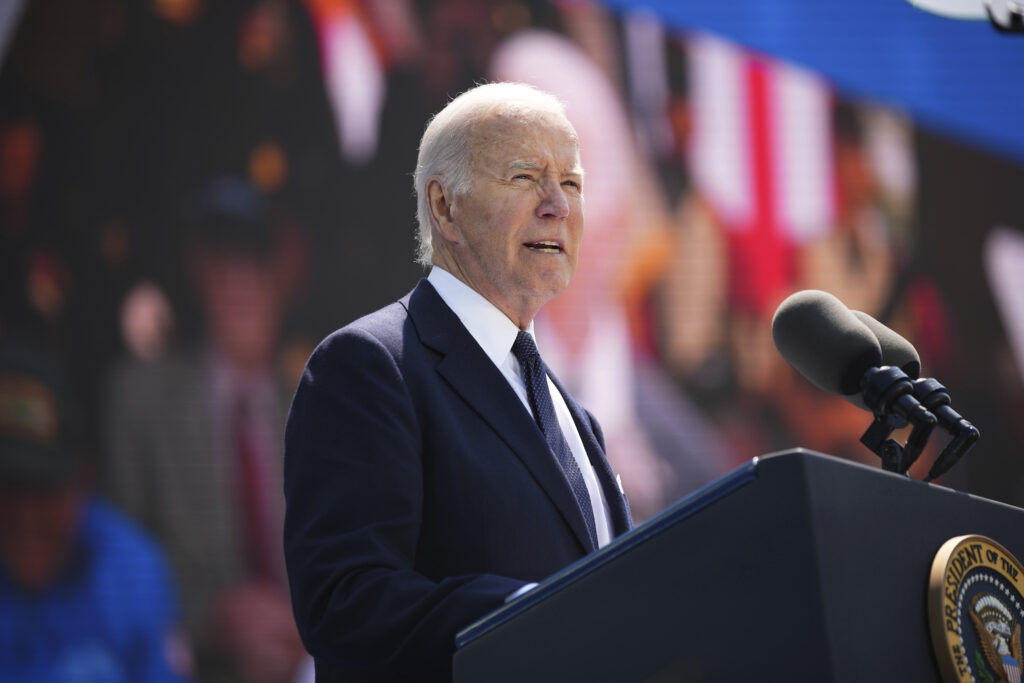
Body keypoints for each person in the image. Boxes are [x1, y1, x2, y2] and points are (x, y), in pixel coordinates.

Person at [283, 82, 633, 681]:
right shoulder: (370, 366)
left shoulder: (578, 420)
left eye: (571, 183)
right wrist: (530, 615)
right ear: (444, 207)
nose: (558, 206)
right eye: (525, 177)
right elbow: (344, 604)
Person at [103, 177, 308, 683]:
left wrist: (301, 626)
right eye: (222, 262)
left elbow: (362, 555)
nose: (238, 281)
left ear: (284, 273)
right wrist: (214, 615)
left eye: (253, 261)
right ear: (198, 272)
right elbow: (115, 554)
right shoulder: (143, 399)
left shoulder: (320, 398)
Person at [0, 332, 191, 682]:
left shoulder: (132, 571)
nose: (25, 515)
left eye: (42, 489)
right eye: (8, 488)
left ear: (82, 481)